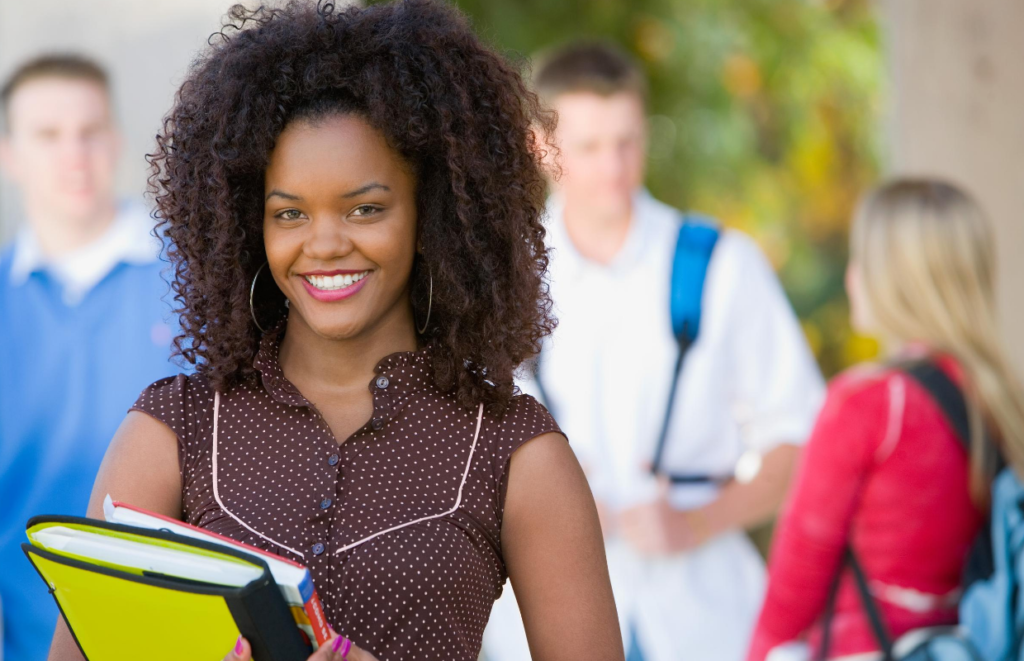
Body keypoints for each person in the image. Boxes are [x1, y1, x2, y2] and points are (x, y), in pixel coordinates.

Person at [43, 2, 622, 661]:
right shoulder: (172, 431)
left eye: (366, 208)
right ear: (249, 225)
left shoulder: (513, 449)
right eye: (288, 213)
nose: (323, 243)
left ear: (431, 215)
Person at [483, 42, 825, 661]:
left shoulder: (723, 265)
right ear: (539, 147)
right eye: (588, 147)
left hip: (704, 622)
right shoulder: (496, 284)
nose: (613, 167)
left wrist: (698, 522)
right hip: (537, 630)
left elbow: (802, 443)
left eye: (628, 141)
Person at [746, 179, 1024, 660]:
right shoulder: (1000, 400)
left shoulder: (868, 402)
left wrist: (760, 651)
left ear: (895, 282)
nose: (852, 276)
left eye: (863, 261)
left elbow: (798, 573)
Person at [0, 55, 181, 661]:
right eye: (48, 135)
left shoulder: (196, 277)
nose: (73, 154)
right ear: (9, 154)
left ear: (117, 138)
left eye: (90, 131)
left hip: (190, 634)